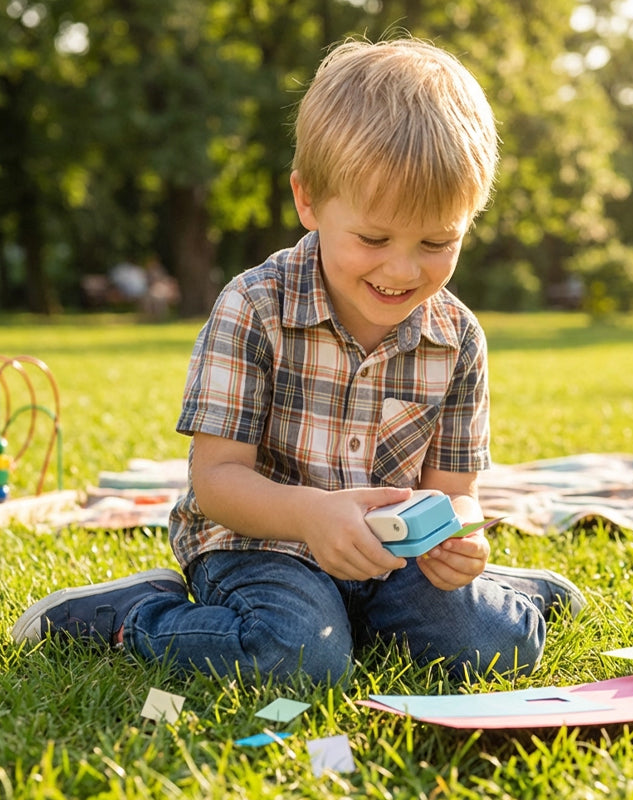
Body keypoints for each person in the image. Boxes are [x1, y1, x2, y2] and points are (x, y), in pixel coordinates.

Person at [12, 37, 585, 684]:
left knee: (496, 649)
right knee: (300, 660)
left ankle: (508, 593)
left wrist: (464, 544)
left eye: (437, 241)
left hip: (389, 554)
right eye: (374, 238)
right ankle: (134, 614)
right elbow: (217, 481)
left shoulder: (457, 337)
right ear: (308, 200)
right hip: (257, 545)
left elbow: (455, 497)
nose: (402, 268)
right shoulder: (254, 308)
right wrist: (312, 517)